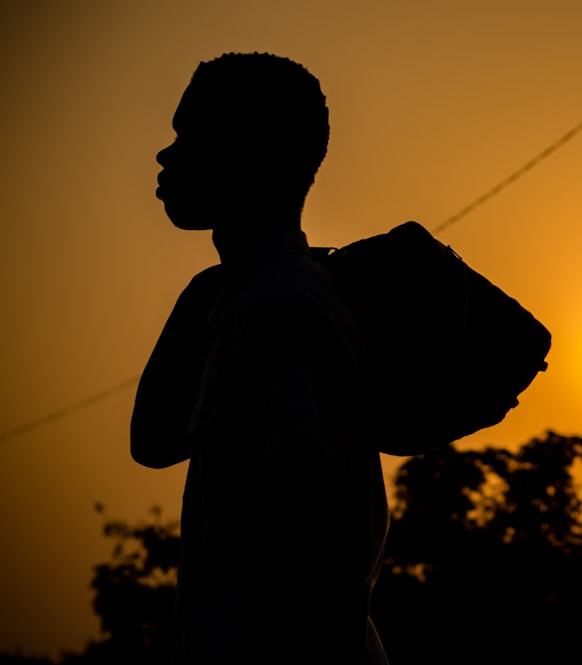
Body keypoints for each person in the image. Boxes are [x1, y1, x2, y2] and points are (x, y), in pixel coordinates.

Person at [131, 52, 389, 664]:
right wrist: (202, 296)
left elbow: (308, 526)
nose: (167, 156)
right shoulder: (236, 298)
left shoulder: (282, 309)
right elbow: (154, 440)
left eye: (190, 136)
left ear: (252, 156)